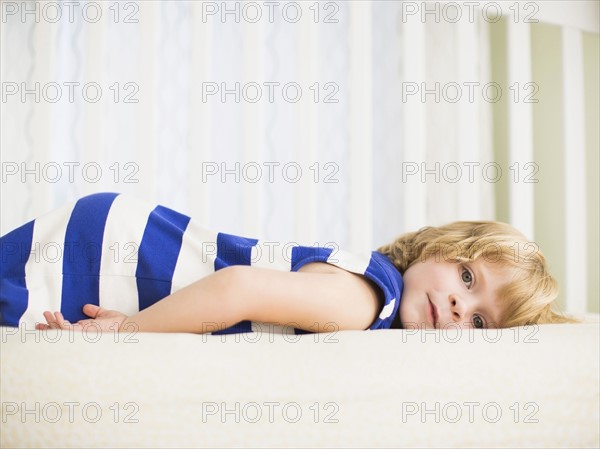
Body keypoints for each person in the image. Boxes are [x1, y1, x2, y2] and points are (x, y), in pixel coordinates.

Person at [0, 192, 577, 335]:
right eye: (468, 278)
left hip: (128, 239)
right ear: (435, 250)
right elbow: (238, 289)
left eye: (479, 321)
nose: (458, 305)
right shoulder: (370, 298)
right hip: (126, 259)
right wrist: (129, 330)